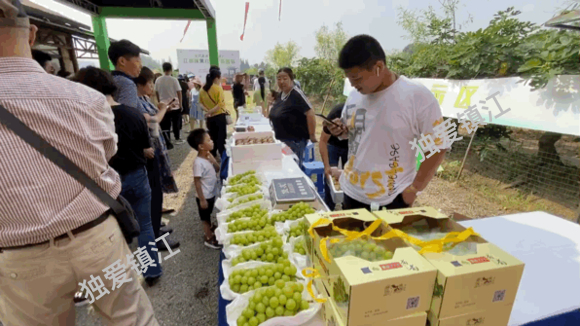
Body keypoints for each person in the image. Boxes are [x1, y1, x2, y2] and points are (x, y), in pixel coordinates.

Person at [0, 2, 159, 324]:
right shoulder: (86, 98)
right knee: (130, 319)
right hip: (96, 240)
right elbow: (105, 154)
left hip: (22, 260)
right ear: (32, 35)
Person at [325, 34, 448, 211]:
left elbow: (438, 146)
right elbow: (352, 133)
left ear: (378, 67)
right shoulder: (354, 96)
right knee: (353, 240)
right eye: (349, 79)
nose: (353, 85)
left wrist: (414, 189)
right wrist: (340, 130)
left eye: (357, 79)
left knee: (387, 240)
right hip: (351, 193)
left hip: (391, 199)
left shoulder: (416, 96)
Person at [72, 66, 163, 286]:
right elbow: (146, 145)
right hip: (138, 176)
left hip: (104, 182)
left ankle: (123, 278)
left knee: (114, 232)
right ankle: (151, 270)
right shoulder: (134, 113)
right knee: (146, 225)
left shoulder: (85, 118)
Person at [108, 40, 180, 250]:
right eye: (137, 60)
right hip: (141, 153)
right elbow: (130, 120)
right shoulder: (127, 84)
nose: (140, 65)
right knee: (150, 198)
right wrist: (141, 146)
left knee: (149, 200)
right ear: (122, 61)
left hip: (127, 152)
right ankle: (155, 241)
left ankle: (156, 233)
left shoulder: (114, 81)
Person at [135, 67, 180, 244]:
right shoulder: (135, 102)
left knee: (157, 191)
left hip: (156, 148)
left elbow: (156, 115)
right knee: (152, 193)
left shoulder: (144, 98)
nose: (152, 86)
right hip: (149, 152)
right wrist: (162, 110)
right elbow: (153, 121)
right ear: (141, 84)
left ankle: (156, 226)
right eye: (150, 83)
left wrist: (164, 108)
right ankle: (155, 236)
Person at [269, 67, 317, 170]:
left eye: (285, 78)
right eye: (279, 78)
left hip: (294, 141)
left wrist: (312, 135)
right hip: (282, 140)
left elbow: (310, 112)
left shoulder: (296, 94)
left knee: (293, 169)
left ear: (291, 79)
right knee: (283, 168)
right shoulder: (280, 95)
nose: (281, 81)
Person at [187, 129, 222, 249]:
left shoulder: (207, 157)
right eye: (209, 140)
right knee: (205, 218)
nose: (212, 142)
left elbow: (217, 170)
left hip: (210, 194)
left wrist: (213, 161)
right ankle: (208, 237)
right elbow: (196, 182)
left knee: (209, 212)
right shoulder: (198, 163)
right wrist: (202, 199)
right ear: (201, 146)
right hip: (204, 196)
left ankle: (210, 226)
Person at [320, 103, 349, 211]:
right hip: (333, 145)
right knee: (330, 178)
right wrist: (327, 166)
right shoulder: (337, 111)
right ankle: (329, 208)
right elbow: (323, 141)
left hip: (351, 147)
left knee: (350, 180)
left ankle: (347, 208)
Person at [199, 68, 228, 158]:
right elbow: (220, 104)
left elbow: (200, 103)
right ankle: (223, 157)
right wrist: (211, 111)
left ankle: (213, 156)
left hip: (209, 118)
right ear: (216, 78)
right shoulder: (217, 88)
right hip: (219, 117)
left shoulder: (202, 89)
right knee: (221, 138)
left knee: (212, 138)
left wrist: (207, 112)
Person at [156, 63, 184, 146]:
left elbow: (156, 92)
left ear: (163, 69)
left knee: (165, 124)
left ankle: (167, 140)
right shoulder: (174, 79)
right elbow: (179, 92)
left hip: (163, 106)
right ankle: (177, 138)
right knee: (176, 123)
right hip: (175, 105)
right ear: (171, 69)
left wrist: (159, 102)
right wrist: (181, 104)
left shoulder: (158, 80)